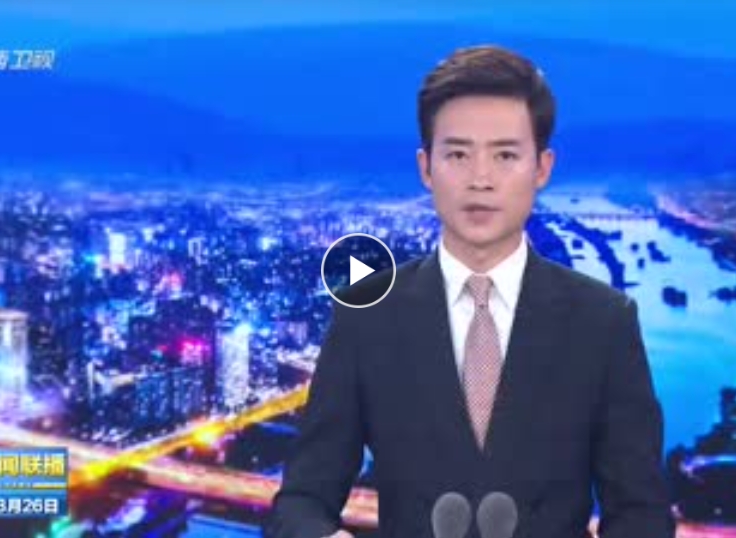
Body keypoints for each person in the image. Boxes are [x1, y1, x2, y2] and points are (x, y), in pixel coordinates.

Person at [267, 45, 675, 538]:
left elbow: (641, 512)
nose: (481, 179)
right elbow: (301, 501)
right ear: (426, 168)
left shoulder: (603, 321)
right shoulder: (368, 315)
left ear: (542, 168)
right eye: (458, 155)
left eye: (505, 155)